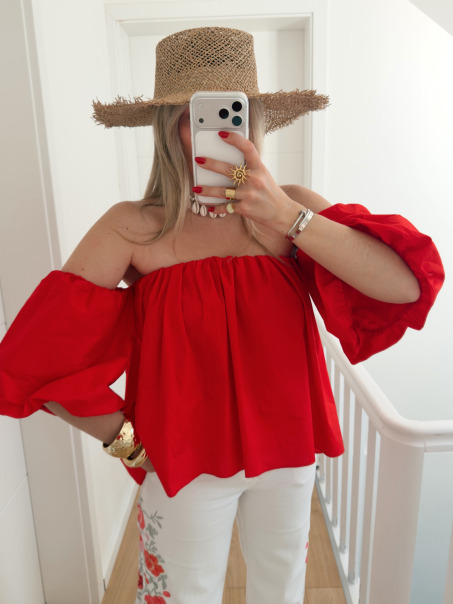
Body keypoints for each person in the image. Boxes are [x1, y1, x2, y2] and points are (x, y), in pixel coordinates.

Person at [0, 26, 444, 604]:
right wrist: (130, 444)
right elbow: (36, 359)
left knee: (281, 593)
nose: (219, 132)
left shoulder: (292, 209)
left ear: (255, 120)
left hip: (287, 454)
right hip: (180, 463)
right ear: (168, 128)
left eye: (233, 114)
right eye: (196, 117)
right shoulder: (133, 227)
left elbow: (405, 286)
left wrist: (286, 217)